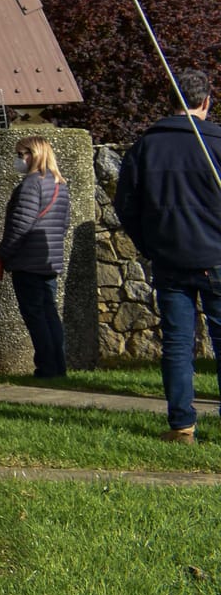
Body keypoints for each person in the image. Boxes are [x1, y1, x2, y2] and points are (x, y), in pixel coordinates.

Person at [113, 68, 221, 444]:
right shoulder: (217, 142)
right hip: (217, 256)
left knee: (177, 344)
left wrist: (150, 245)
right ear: (206, 101)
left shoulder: (145, 146)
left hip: (169, 258)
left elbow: (126, 205)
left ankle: (182, 425)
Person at [0, 136, 72, 379]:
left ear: (33, 154)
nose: (18, 160)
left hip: (28, 260)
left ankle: (46, 367)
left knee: (36, 315)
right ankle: (57, 364)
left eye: (21, 154)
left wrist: (2, 255)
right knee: (49, 313)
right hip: (49, 258)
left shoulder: (32, 184)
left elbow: (20, 225)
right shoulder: (59, 183)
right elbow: (63, 224)